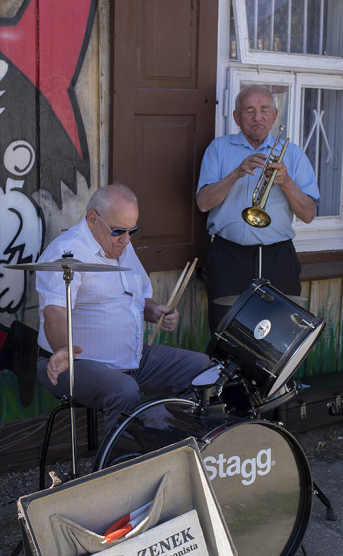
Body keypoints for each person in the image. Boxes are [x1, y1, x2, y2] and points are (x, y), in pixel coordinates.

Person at [35, 184, 212, 434]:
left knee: (204, 370)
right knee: (124, 389)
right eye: (119, 231)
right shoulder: (67, 251)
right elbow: (55, 311)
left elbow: (138, 298)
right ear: (93, 219)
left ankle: (170, 439)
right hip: (76, 362)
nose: (127, 240)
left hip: (134, 357)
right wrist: (63, 348)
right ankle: (122, 466)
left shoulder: (122, 246)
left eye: (133, 230)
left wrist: (155, 311)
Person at [195, 85, 319, 334]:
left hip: (278, 256)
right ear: (236, 117)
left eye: (264, 110)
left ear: (274, 116)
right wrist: (236, 173)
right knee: (226, 334)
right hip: (228, 256)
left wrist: (286, 182)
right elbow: (203, 203)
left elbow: (308, 214)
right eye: (249, 110)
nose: (257, 116)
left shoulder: (293, 155)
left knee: (282, 334)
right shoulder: (219, 149)